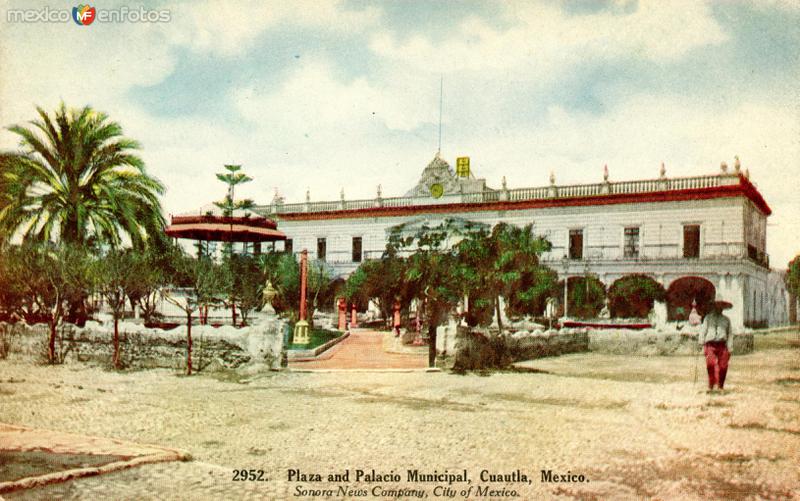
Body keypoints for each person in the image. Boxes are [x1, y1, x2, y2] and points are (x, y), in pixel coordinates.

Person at [698, 296, 733, 392]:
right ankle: (711, 385)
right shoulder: (708, 318)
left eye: (721, 305)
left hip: (722, 345)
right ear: (714, 306)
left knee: (723, 366)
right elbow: (703, 330)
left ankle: (720, 386)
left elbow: (730, 333)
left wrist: (730, 347)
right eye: (717, 305)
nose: (719, 307)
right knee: (710, 364)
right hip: (710, 344)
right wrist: (701, 342)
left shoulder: (726, 320)